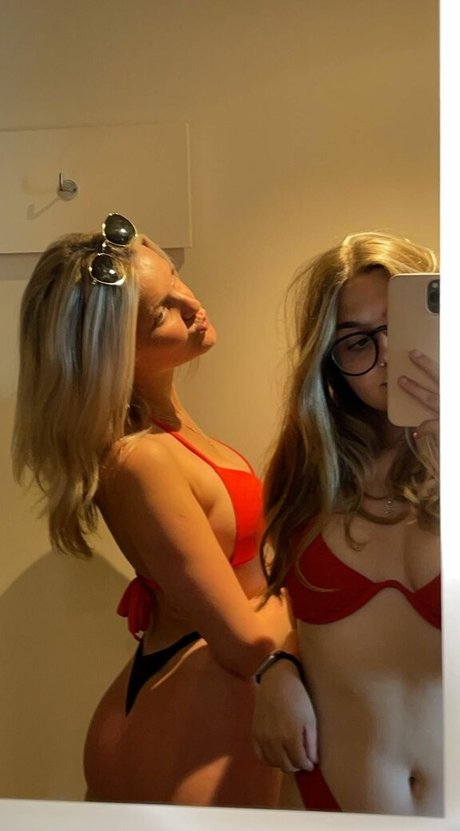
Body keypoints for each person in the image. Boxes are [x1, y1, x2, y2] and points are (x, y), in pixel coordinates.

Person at [12, 212, 293, 807]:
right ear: (111, 350)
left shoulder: (170, 434)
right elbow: (245, 643)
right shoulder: (142, 459)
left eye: (175, 280)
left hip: (189, 698)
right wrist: (324, 594)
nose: (191, 305)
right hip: (197, 715)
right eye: (162, 311)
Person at [251, 231, 441, 816]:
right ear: (329, 364)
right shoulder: (309, 469)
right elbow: (307, 620)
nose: (386, 357)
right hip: (324, 801)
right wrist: (277, 666)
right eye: (357, 342)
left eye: (400, 328)